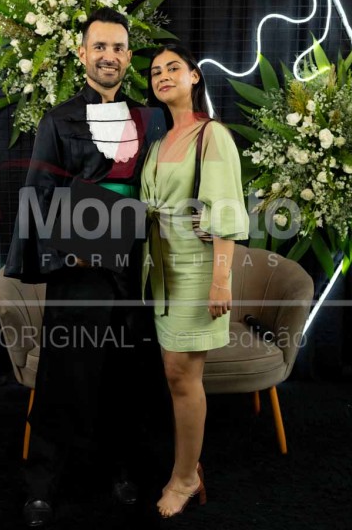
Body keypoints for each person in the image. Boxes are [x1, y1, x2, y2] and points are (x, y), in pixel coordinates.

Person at [4, 7, 166, 527]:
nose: (108, 56)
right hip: (77, 268)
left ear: (129, 56)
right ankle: (42, 484)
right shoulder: (57, 120)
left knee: (126, 375)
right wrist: (62, 253)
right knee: (64, 376)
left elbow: (158, 190)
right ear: (82, 54)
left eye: (117, 47)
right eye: (100, 47)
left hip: (132, 265)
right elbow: (38, 194)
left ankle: (121, 469)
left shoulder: (150, 120)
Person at [140, 44, 249, 518]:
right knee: (171, 371)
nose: (163, 76)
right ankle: (186, 465)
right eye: (155, 72)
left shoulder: (212, 135)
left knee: (183, 374)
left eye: (173, 68)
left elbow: (225, 209)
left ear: (195, 76)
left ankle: (186, 477)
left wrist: (221, 280)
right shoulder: (159, 141)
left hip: (197, 268)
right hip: (160, 266)